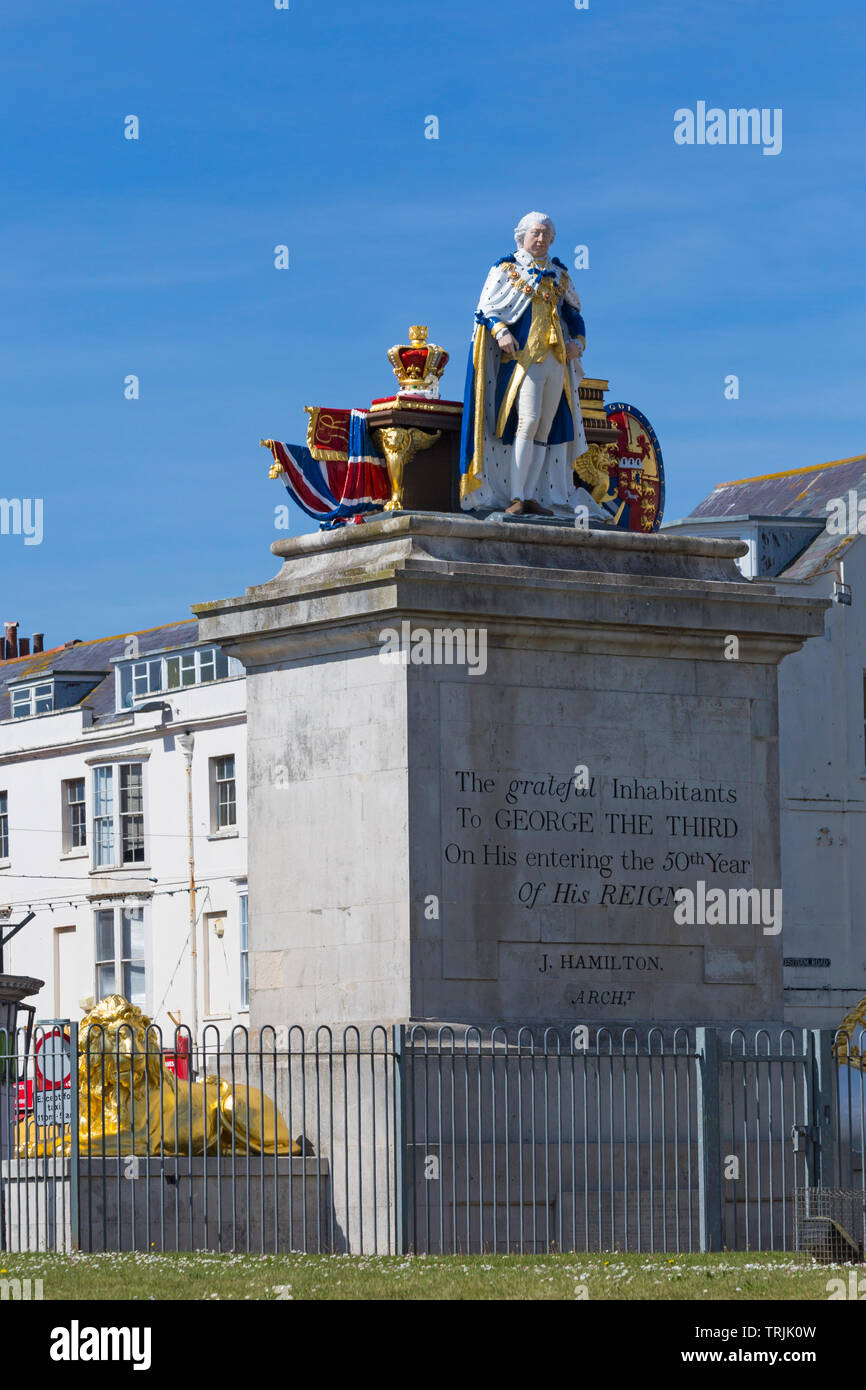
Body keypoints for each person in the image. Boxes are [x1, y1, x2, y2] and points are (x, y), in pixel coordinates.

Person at [459, 211, 603, 519]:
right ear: (521, 236)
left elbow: (574, 314)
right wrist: (500, 333)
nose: (540, 239)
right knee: (527, 420)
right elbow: (487, 310)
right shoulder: (506, 269)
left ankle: (533, 492)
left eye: (546, 235)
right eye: (535, 234)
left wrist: (579, 341)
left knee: (545, 428)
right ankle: (517, 494)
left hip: (556, 360)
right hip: (525, 359)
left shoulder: (560, 274)